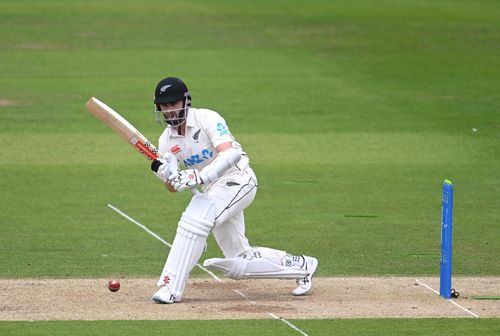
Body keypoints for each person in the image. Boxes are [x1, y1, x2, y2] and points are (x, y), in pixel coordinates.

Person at [150, 76, 318, 304]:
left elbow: (231, 153)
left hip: (238, 179)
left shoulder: (206, 118)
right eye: (164, 105)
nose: (169, 110)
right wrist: (166, 176)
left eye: (173, 104)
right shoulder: (166, 141)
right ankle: (301, 265)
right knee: (239, 259)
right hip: (213, 190)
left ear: (185, 101)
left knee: (196, 218)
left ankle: (171, 287)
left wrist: (199, 175)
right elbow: (173, 187)